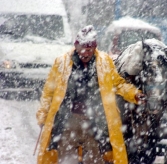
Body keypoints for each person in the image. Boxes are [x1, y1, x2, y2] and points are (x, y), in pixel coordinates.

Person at [36, 25, 146, 164]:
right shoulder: (62, 62)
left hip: (96, 121)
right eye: (82, 48)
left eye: (89, 49)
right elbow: (48, 92)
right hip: (68, 120)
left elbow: (118, 84)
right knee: (65, 158)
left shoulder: (105, 62)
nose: (85, 53)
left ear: (95, 48)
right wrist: (43, 115)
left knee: (96, 158)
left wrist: (135, 94)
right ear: (75, 46)